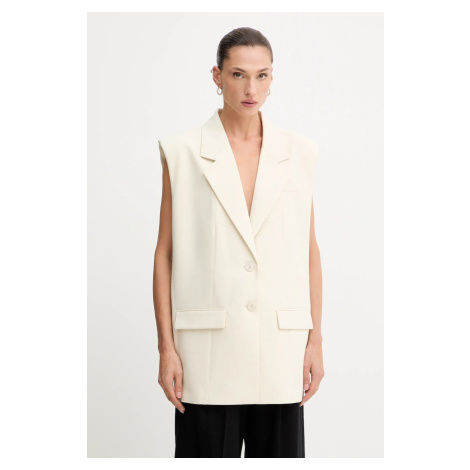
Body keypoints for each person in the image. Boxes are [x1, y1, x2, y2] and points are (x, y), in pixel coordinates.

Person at [153, 27, 324, 458]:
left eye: (262, 75)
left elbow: (308, 251)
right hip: (207, 355)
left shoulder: (299, 153)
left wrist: (315, 341)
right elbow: (165, 253)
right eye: (238, 75)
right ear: (217, 76)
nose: (251, 89)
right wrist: (166, 347)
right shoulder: (182, 152)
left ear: (272, 78)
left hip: (280, 351)